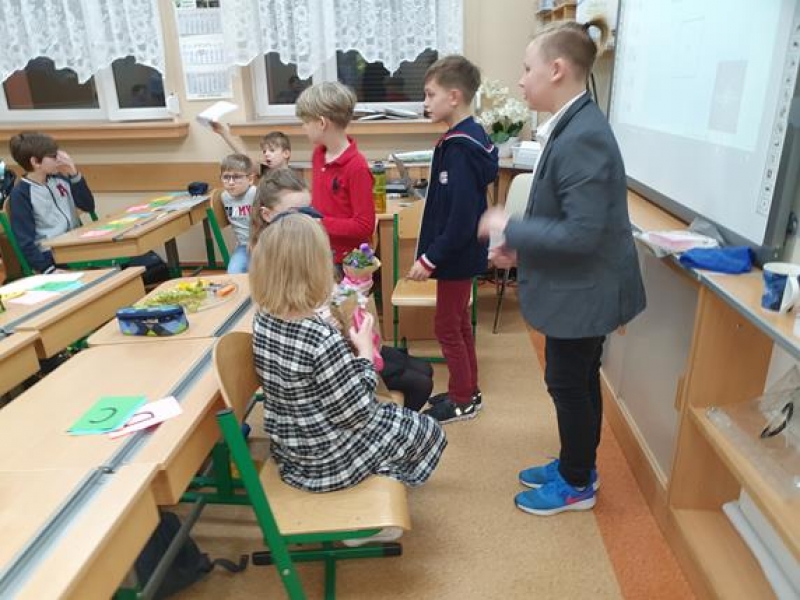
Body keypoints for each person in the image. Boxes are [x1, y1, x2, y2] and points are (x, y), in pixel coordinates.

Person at [478, 18, 646, 516]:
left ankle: (576, 484)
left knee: (569, 384)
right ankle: (578, 466)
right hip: (582, 283)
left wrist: (508, 228)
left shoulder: (583, 135)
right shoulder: (573, 124)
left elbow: (581, 233)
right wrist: (520, 248)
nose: (521, 80)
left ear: (556, 70)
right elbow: (567, 217)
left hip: (586, 291)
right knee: (578, 379)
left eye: (526, 69)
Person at [248, 213, 447, 522]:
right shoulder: (321, 339)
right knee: (427, 429)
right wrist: (364, 351)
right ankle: (364, 496)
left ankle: (370, 475)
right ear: (318, 270)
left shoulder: (263, 319)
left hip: (290, 449)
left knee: (397, 412)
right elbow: (356, 414)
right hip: (326, 459)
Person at [407, 55, 499, 425]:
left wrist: (430, 258)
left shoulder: (461, 147)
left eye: (431, 95)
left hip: (457, 256)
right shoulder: (464, 138)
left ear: (455, 96)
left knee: (447, 326)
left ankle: (463, 400)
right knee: (458, 323)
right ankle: (467, 389)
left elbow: (461, 220)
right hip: (460, 254)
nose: (425, 103)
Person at [295, 81, 376, 267]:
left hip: (349, 263)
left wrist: (320, 223)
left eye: (306, 122)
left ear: (322, 123)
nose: (303, 127)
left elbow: (365, 226)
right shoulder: (318, 155)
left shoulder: (357, 167)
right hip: (321, 253)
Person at [7, 132, 95, 274]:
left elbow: (88, 206)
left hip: (77, 243)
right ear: (35, 162)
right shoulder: (21, 194)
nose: (59, 159)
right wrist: (48, 269)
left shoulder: (60, 179)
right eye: (54, 156)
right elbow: (25, 241)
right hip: (52, 255)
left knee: (130, 257)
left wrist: (73, 173)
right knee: (123, 261)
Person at [218, 153, 257, 274]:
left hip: (262, 243)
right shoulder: (224, 197)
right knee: (233, 273)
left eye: (236, 177)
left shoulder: (255, 193)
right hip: (243, 247)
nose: (230, 182)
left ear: (250, 179)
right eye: (226, 177)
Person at [211, 124, 292, 177]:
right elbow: (244, 156)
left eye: (272, 150)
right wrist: (223, 132)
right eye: (264, 151)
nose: (266, 154)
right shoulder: (266, 171)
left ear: (286, 153)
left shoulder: (293, 178)